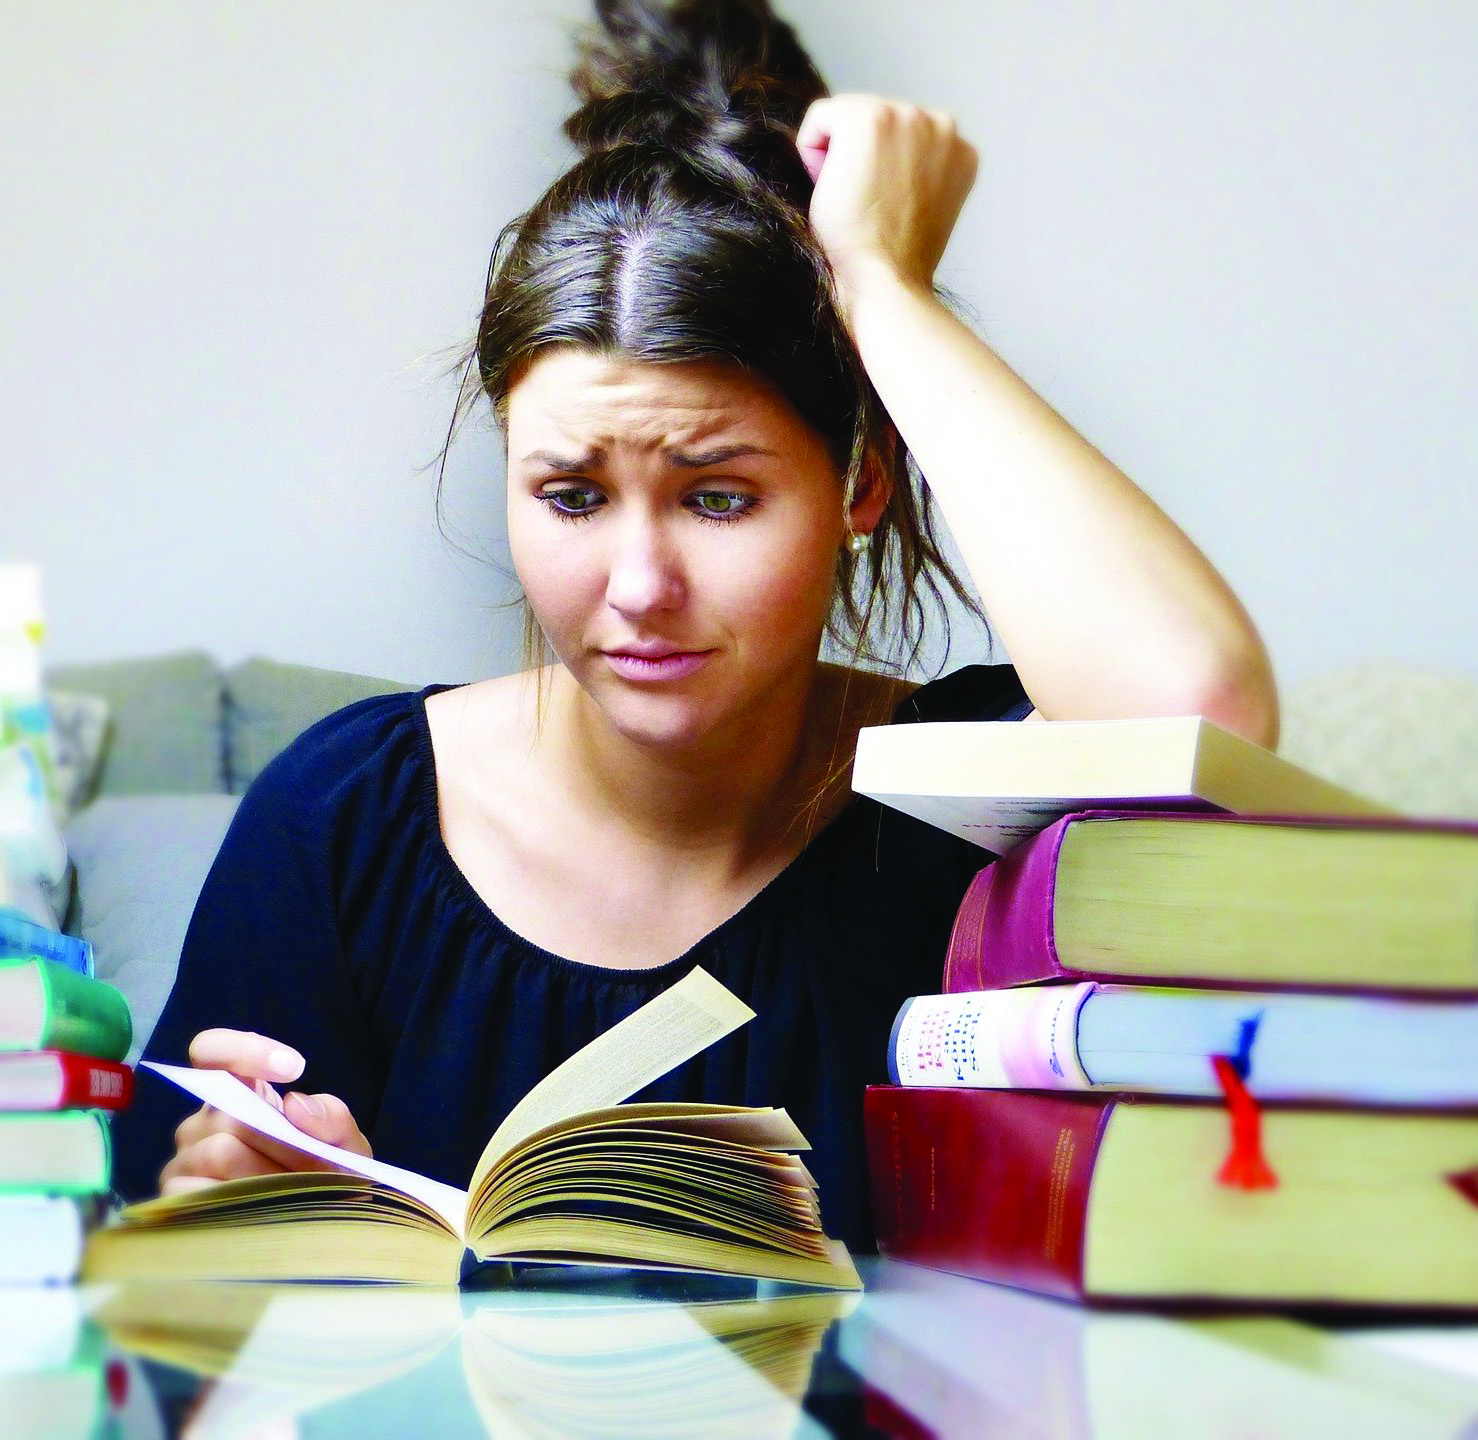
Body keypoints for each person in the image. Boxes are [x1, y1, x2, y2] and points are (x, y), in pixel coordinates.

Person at [111, 0, 1278, 1251]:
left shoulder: (963, 811)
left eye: (718, 498)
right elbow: (172, 1303)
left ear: (859, 486)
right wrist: (230, 1209)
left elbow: (1200, 713)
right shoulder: (341, 820)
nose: (637, 585)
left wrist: (886, 288)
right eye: (570, 496)